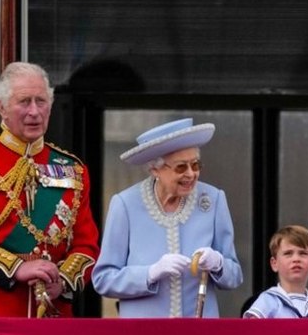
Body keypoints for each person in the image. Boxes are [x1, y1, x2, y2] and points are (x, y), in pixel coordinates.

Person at [0, 62, 100, 317]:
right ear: (1, 108)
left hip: (53, 315)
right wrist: (16, 268)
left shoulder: (73, 169)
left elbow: (87, 246)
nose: (34, 112)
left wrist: (63, 280)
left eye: (41, 101)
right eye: (24, 102)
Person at [91, 118, 243, 318]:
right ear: (155, 169)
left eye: (196, 165)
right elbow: (103, 279)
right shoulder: (125, 204)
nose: (191, 174)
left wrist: (219, 264)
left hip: (198, 333)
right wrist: (151, 273)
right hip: (144, 334)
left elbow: (235, 277)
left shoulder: (213, 200)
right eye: (181, 167)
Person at [243, 224, 308, 319]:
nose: (296, 259)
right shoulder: (268, 300)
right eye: (288, 253)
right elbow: (251, 330)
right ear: (274, 263)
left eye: (303, 253)